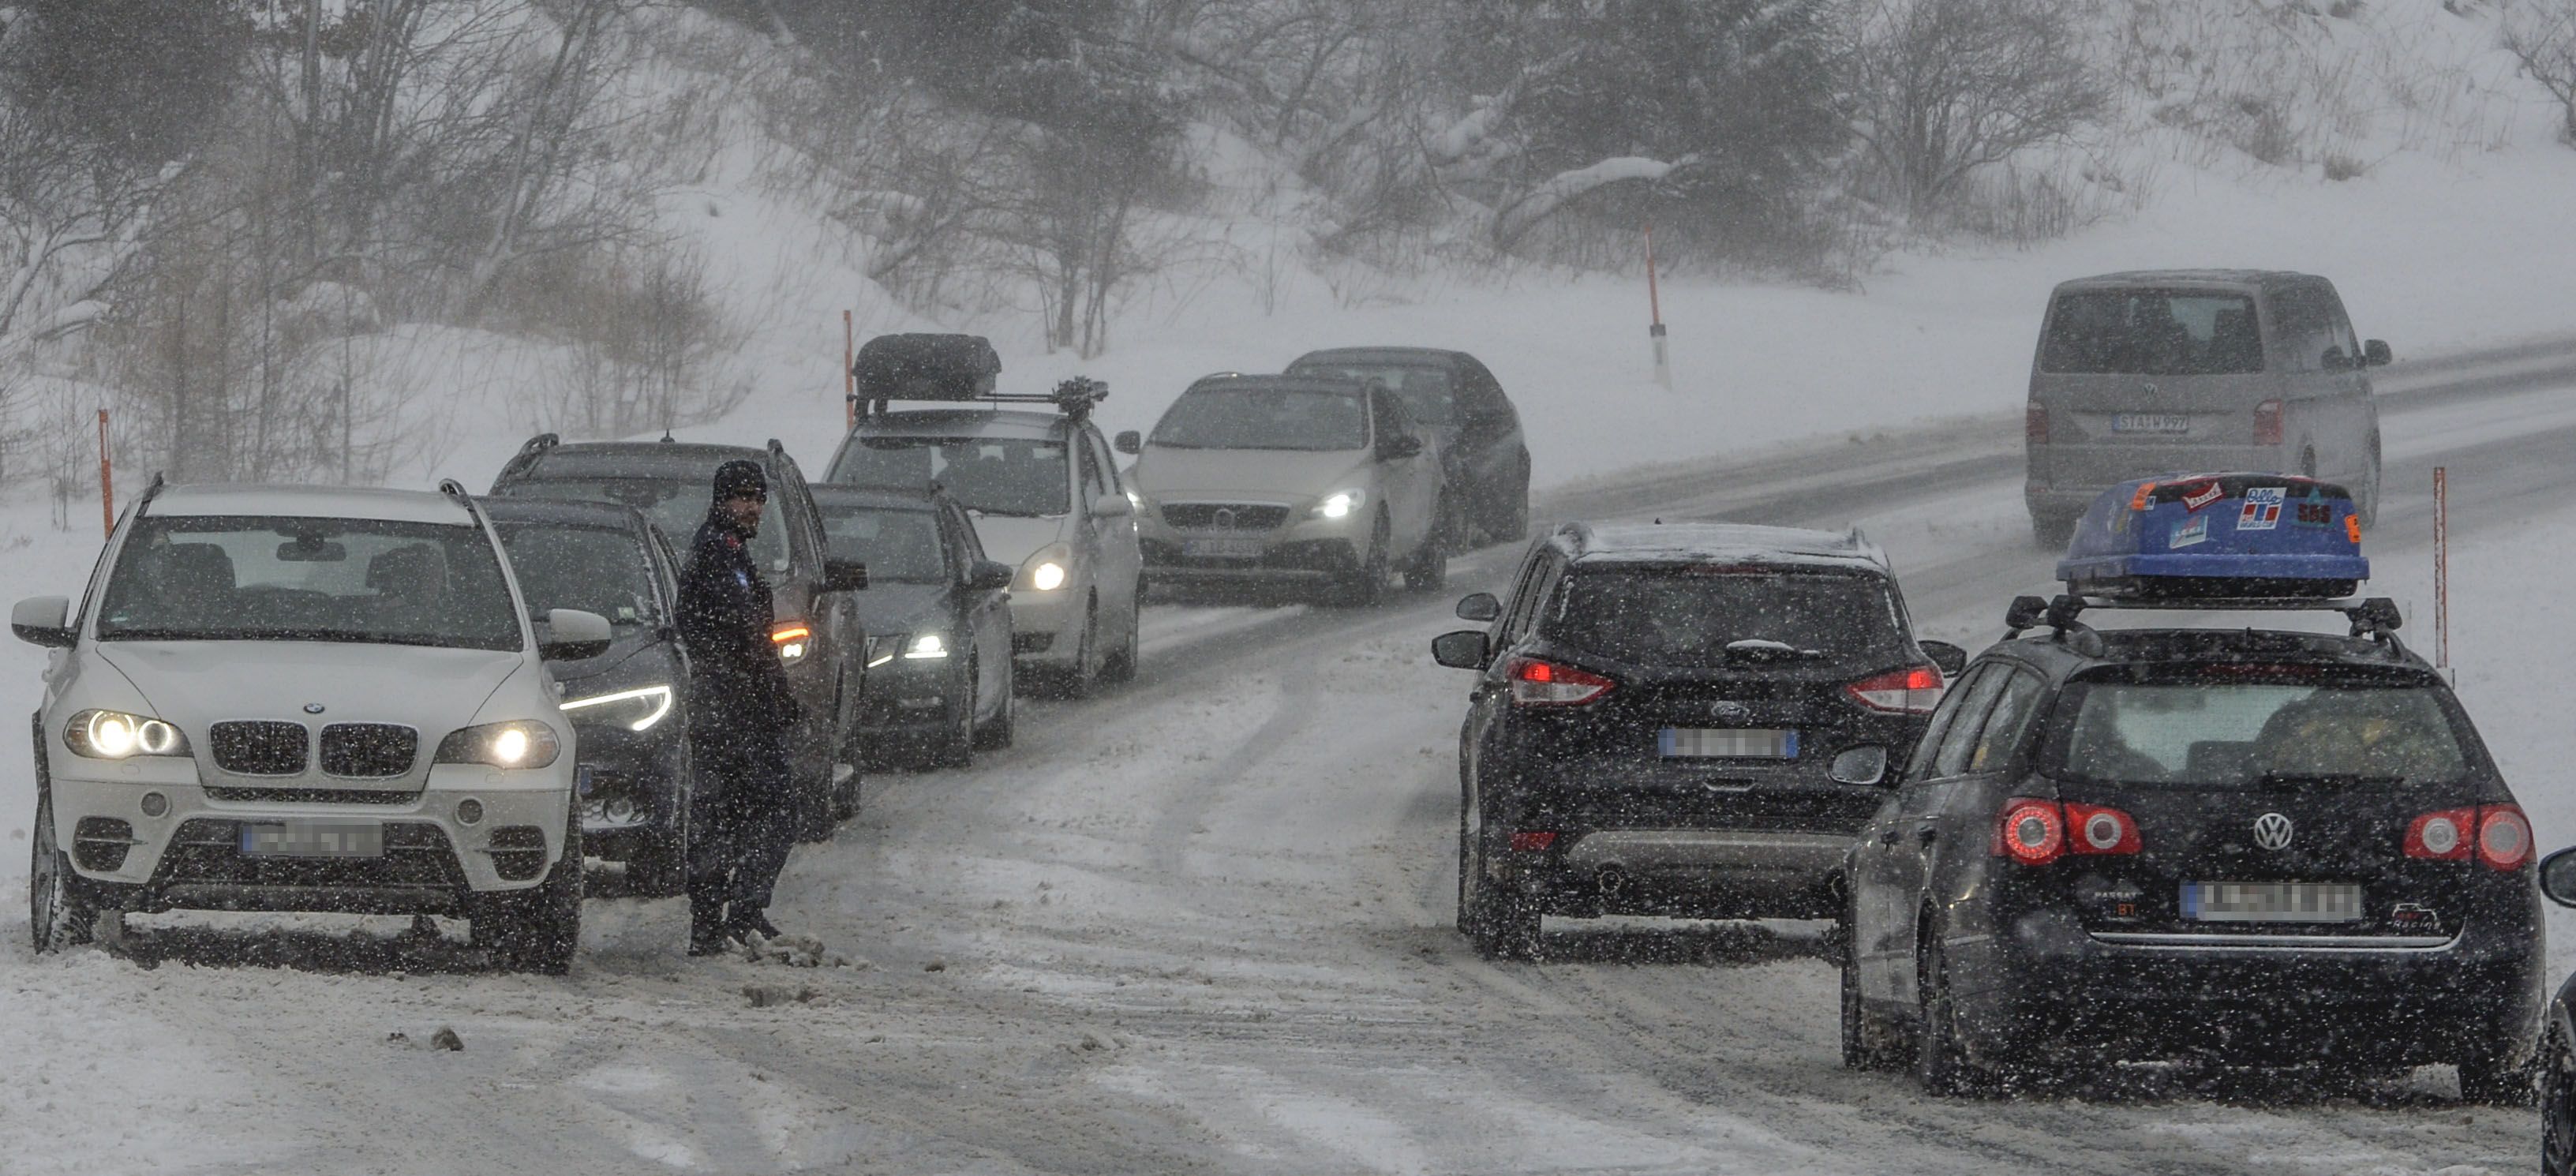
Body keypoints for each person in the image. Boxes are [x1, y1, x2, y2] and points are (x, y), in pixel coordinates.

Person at [676, 459, 802, 955]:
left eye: (758, 499)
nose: (752, 508)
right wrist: (762, 694)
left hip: (739, 710)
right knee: (761, 812)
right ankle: (725, 919)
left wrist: (776, 698)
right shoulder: (715, 557)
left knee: (741, 814)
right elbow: (736, 640)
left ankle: (731, 917)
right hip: (731, 713)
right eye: (742, 498)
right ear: (721, 500)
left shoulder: (731, 555)